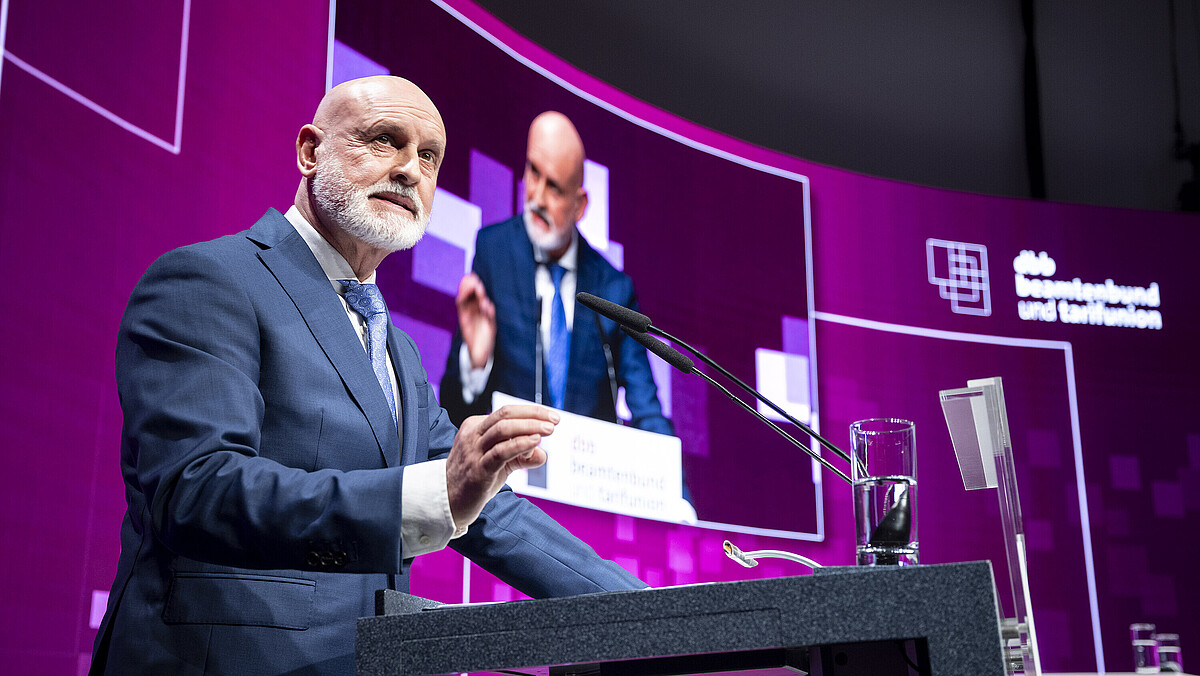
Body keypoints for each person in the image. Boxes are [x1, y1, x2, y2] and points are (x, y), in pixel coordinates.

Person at [89, 76, 644, 676]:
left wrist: (656, 614)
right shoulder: (210, 280)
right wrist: (431, 495)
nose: (409, 170)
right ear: (310, 151)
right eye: (384, 141)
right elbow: (198, 490)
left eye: (428, 157)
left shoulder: (398, 351)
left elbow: (491, 511)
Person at [440, 112, 672, 437]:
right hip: (508, 463)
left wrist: (671, 468)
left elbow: (647, 409)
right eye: (533, 172)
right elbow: (451, 410)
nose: (537, 197)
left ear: (580, 205)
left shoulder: (614, 289)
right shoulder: (494, 252)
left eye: (554, 188)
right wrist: (475, 365)